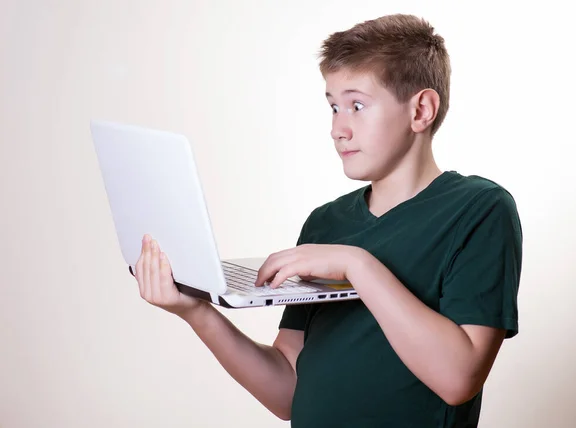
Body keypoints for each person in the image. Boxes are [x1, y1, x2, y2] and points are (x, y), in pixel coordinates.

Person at [134, 13, 523, 428]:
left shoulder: (480, 210)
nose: (339, 128)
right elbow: (288, 391)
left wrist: (356, 265)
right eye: (333, 106)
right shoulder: (325, 224)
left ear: (421, 110)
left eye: (357, 105)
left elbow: (458, 377)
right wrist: (196, 311)